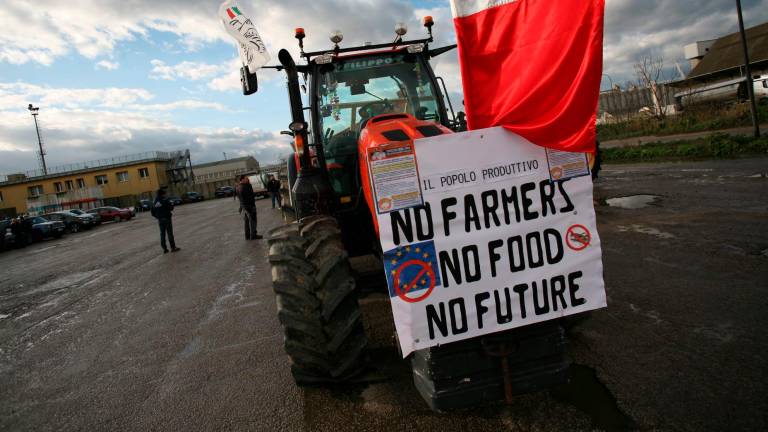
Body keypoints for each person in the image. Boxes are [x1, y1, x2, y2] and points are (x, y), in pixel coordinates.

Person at [151, 188, 180, 253]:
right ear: (162, 194)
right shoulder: (165, 200)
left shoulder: (154, 201)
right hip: (167, 219)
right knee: (170, 233)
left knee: (162, 234)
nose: (165, 195)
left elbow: (152, 213)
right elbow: (171, 208)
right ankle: (173, 247)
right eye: (164, 193)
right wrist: (172, 204)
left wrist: (158, 217)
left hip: (160, 220)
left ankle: (164, 249)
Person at [237, 175, 262, 240]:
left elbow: (240, 198)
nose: (247, 179)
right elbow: (248, 197)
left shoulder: (238, 187)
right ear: (242, 180)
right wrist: (251, 206)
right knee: (253, 221)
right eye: (246, 178)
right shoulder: (246, 186)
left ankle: (247, 236)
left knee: (247, 221)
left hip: (244, 207)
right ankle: (253, 235)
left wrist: (242, 207)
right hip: (249, 206)